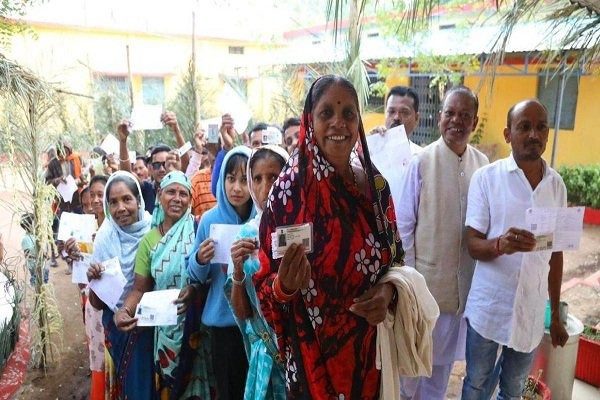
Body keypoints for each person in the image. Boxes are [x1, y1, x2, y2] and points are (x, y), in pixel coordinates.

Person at [254, 75, 403, 399]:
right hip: (312, 360)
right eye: (326, 113)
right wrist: (284, 287)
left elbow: (397, 259)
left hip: (369, 354)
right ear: (310, 120)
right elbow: (263, 283)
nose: (339, 123)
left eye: (348, 113)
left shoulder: (376, 188)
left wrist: (389, 293)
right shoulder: (287, 194)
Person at [461, 99, 569, 400]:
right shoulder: (487, 179)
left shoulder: (556, 186)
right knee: (476, 385)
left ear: (547, 135)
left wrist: (556, 318)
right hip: (489, 308)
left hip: (530, 312)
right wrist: (500, 244)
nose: (534, 134)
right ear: (508, 134)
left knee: (513, 390)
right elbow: (472, 244)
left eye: (541, 127)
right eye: (524, 127)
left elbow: (556, 253)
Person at [396, 85, 489, 400]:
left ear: (474, 123)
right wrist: (409, 283)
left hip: (462, 290)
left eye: (465, 115)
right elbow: (405, 225)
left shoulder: (482, 165)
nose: (456, 121)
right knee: (410, 372)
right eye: (450, 113)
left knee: (441, 371)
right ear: (439, 118)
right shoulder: (422, 162)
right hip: (425, 288)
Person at [116, 171, 215, 399]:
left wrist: (196, 290)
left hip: (199, 326)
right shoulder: (149, 241)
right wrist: (125, 310)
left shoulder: (200, 229)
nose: (177, 198)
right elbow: (140, 288)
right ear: (160, 195)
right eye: (171, 192)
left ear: (191, 200)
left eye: (183, 193)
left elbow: (211, 277)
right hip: (166, 332)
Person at [188, 146, 255, 399]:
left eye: (244, 179)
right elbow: (195, 276)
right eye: (230, 178)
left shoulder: (262, 219)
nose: (236, 188)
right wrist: (199, 258)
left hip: (256, 323)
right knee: (229, 390)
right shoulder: (208, 220)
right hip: (224, 328)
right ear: (222, 180)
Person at [226, 145, 289, 400]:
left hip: (298, 355)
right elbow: (242, 312)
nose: (266, 187)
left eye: (274, 177)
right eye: (258, 179)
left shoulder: (303, 229)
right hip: (263, 355)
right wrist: (239, 270)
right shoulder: (246, 235)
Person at [85, 171, 154, 399]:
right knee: (131, 388)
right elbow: (96, 303)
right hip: (118, 328)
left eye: (126, 199)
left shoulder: (154, 231)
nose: (120, 208)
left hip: (149, 325)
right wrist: (94, 280)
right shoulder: (105, 238)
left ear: (138, 200)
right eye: (113, 202)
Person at [21, 213, 49, 287]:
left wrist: (44, 254)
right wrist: (38, 257)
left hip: (42, 262)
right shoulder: (26, 239)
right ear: (27, 227)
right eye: (34, 223)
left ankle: (43, 288)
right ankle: (37, 292)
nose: (37, 225)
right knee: (36, 279)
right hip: (34, 265)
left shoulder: (37, 235)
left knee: (44, 278)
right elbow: (27, 254)